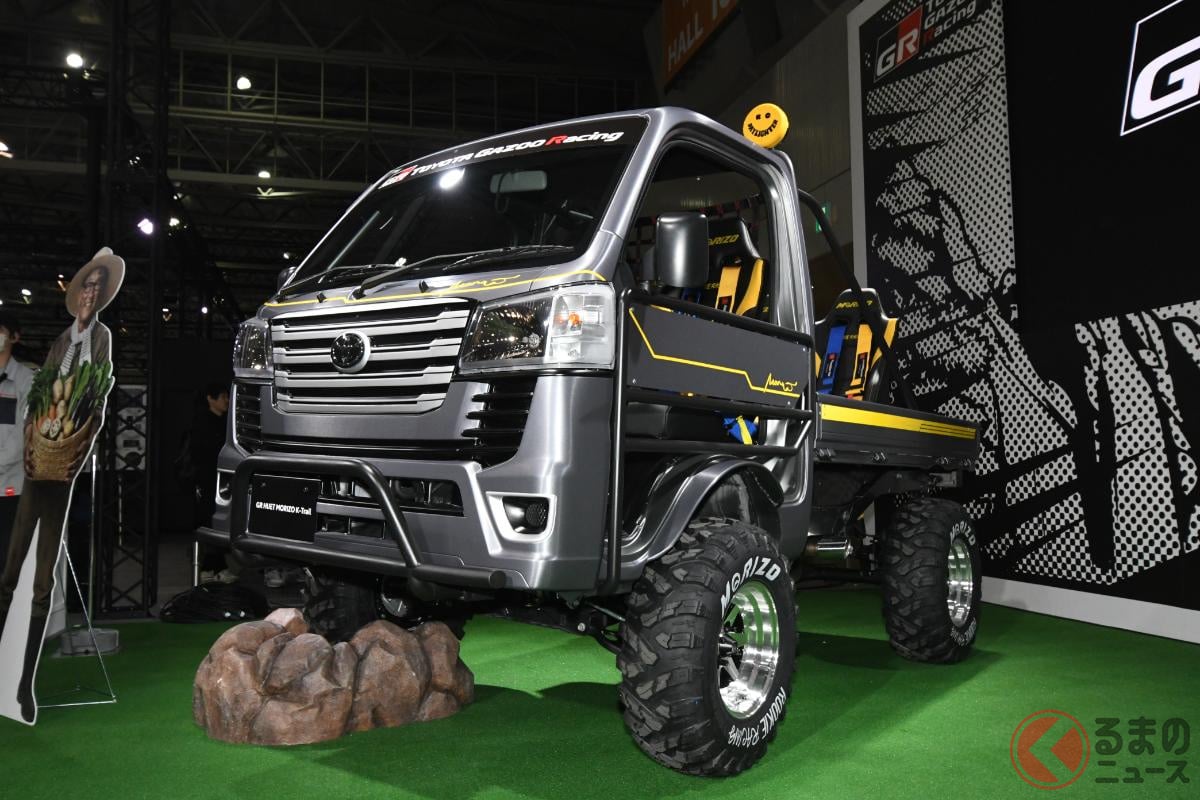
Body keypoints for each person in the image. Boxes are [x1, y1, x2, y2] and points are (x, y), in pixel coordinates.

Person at [0, 248, 122, 723]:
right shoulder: (58, 343)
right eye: (86, 286)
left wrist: (74, 437)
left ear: (102, 296)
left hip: (64, 467)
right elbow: (40, 400)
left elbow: (96, 398)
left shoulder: (102, 340)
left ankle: (23, 686)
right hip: (35, 465)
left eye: (97, 288)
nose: (90, 294)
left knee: (42, 579)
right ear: (77, 294)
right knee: (10, 570)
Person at [191, 381, 235, 583]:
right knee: (211, 521)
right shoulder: (202, 423)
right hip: (209, 480)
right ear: (210, 399)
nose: (227, 400)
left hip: (221, 480)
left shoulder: (223, 422)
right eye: (223, 396)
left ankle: (212, 567)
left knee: (218, 522)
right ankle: (213, 567)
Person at [0, 310, 34, 562]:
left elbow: (26, 432)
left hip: (10, 486)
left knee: (6, 557)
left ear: (14, 337)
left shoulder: (27, 380)